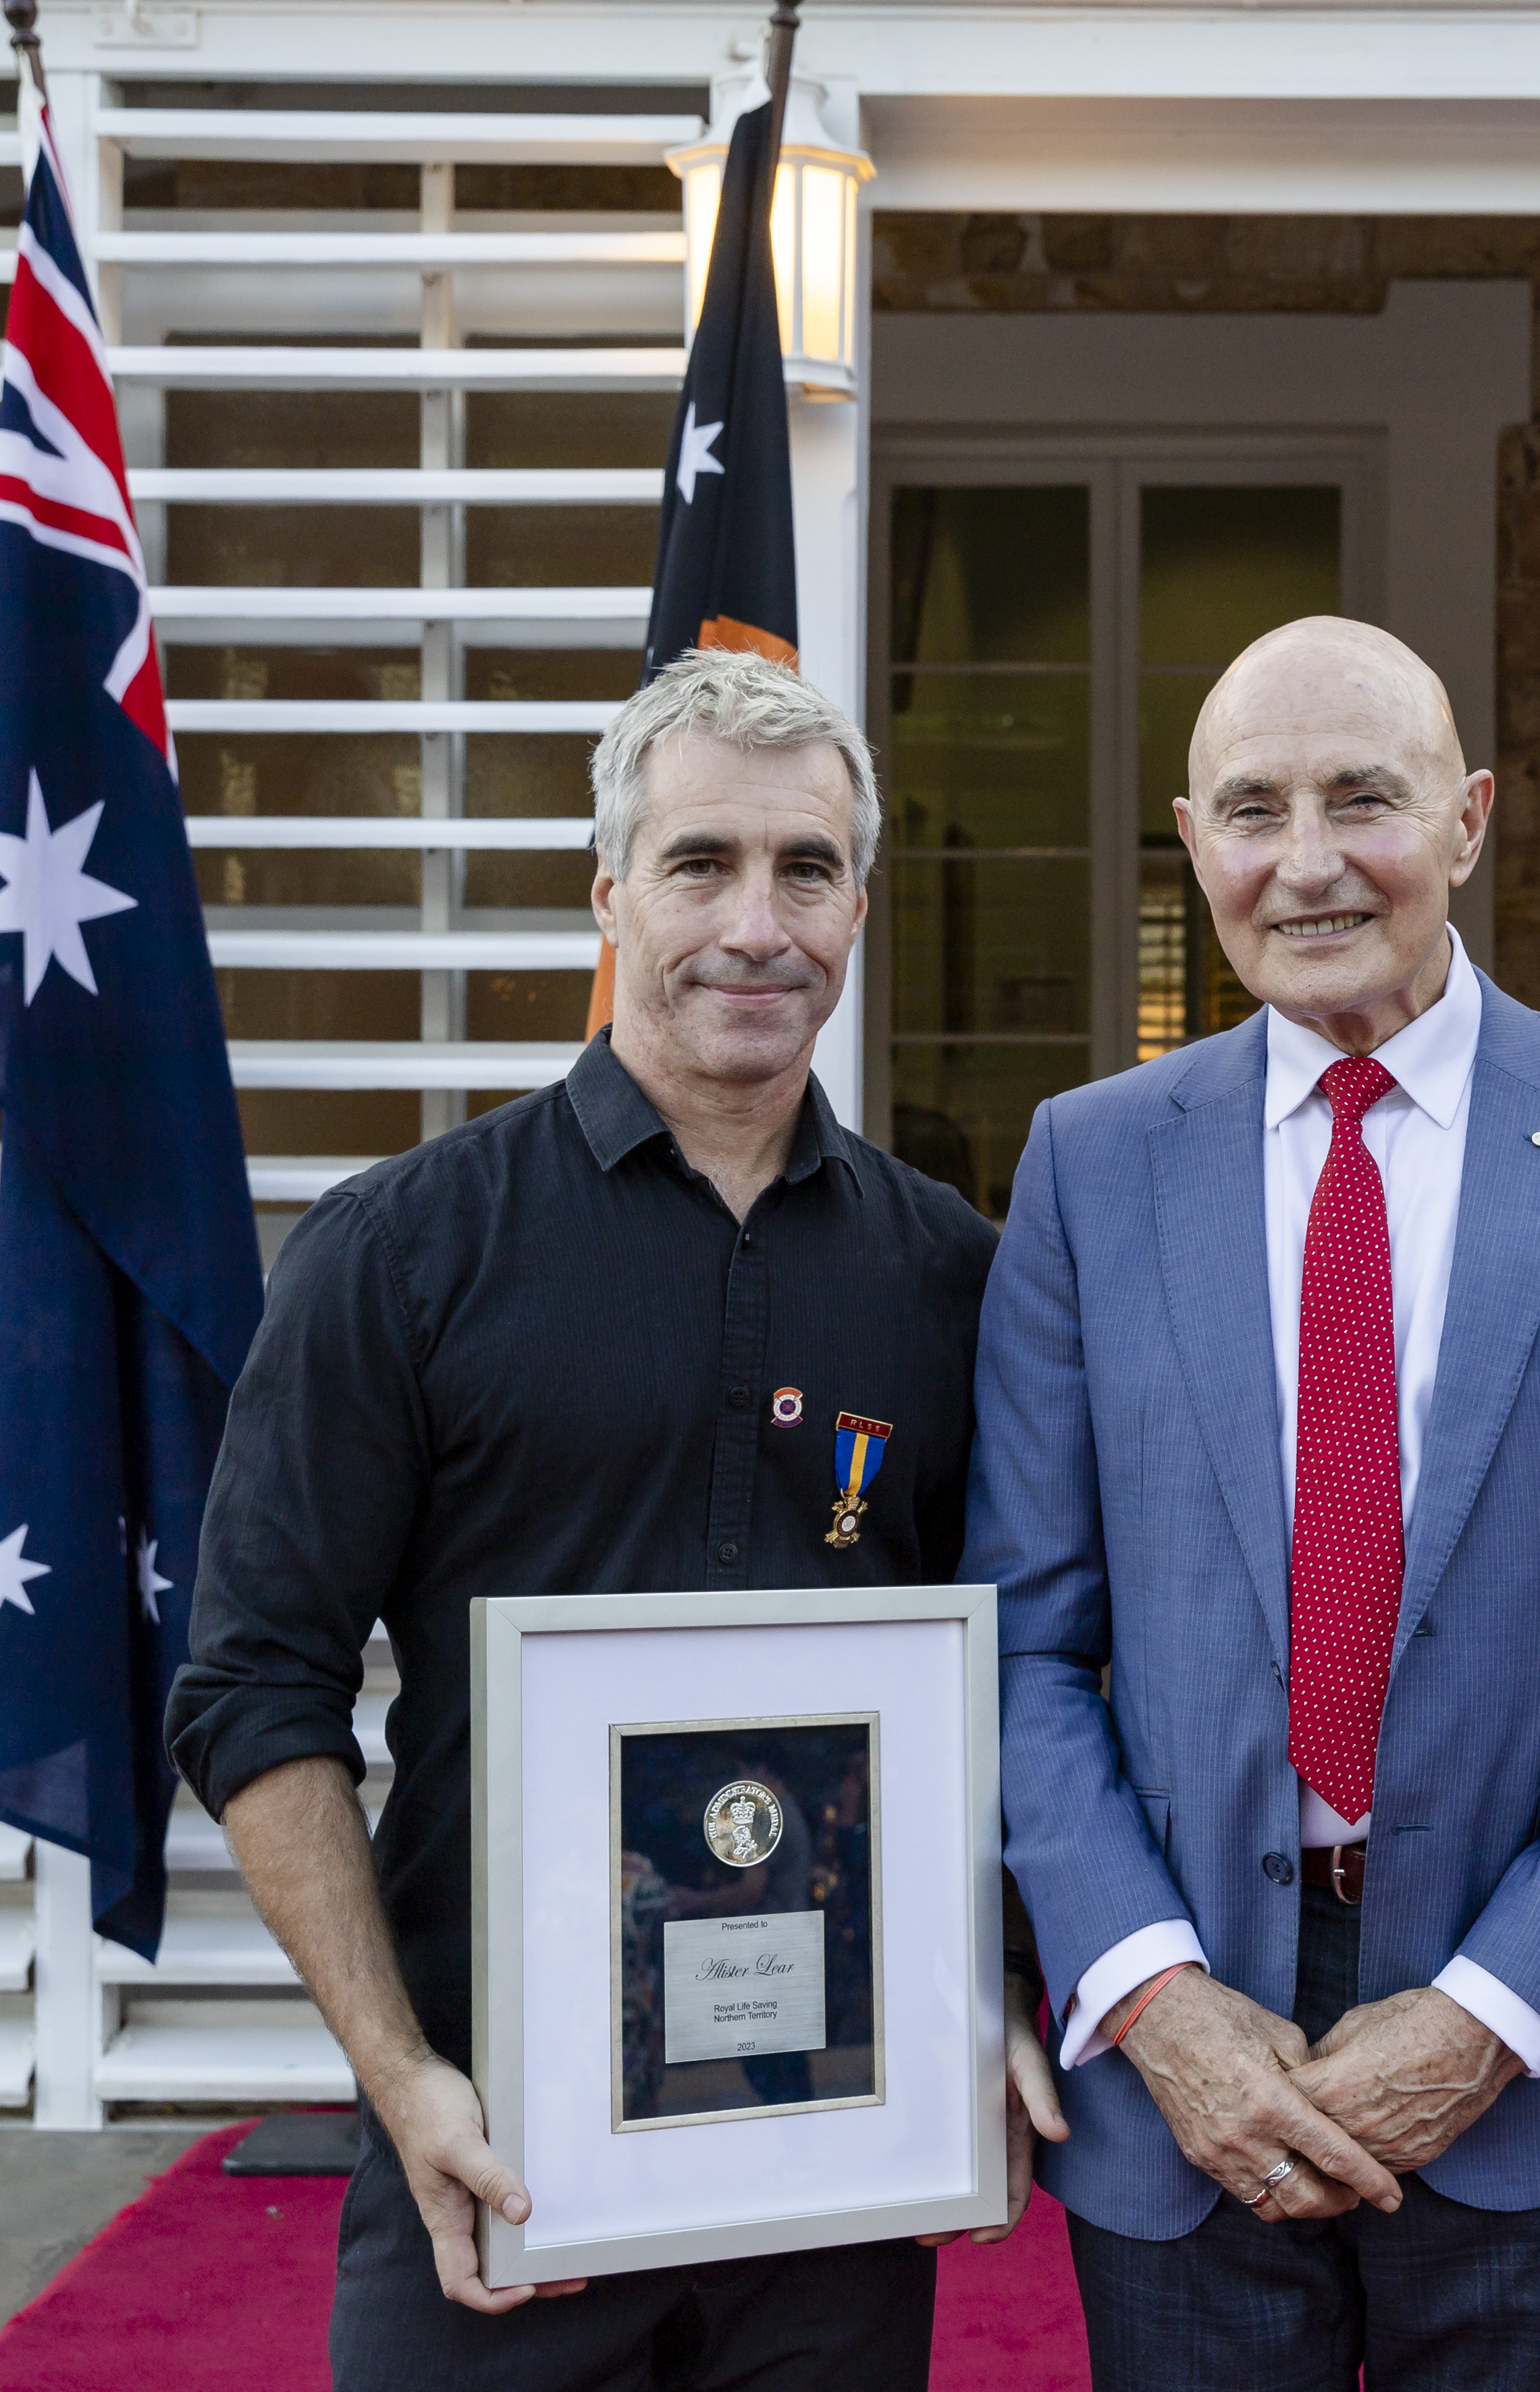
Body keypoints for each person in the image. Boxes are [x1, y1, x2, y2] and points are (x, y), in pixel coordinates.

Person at [165, 648, 1060, 2392]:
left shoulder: (955, 1277)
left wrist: (992, 1994)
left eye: (805, 870)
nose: (757, 921)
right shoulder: (401, 1256)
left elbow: (1020, 1682)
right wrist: (397, 2073)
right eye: (700, 863)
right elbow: (251, 1690)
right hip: (499, 2147)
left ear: (860, 905)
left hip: (838, 2163)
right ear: (608, 895)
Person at [972, 617, 1540, 2392]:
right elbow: (1022, 1646)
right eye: (1254, 811)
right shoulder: (1085, 1166)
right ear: (1192, 839)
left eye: (1364, 800)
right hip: (1186, 2078)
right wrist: (1151, 2002)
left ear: (1469, 820)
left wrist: (1491, 2015)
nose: (1309, 861)